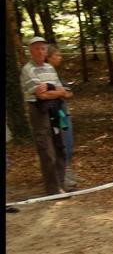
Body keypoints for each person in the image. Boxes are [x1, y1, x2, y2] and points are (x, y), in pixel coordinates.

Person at [20, 36, 72, 195]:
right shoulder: (28, 69)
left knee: (60, 146)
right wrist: (56, 91)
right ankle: (53, 188)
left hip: (55, 110)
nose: (40, 51)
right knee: (46, 150)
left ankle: (61, 183)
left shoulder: (50, 68)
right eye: (36, 48)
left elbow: (64, 91)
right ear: (30, 51)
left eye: (43, 48)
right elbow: (40, 95)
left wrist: (51, 88)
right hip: (38, 111)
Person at [47, 46, 77, 190]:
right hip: (54, 115)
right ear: (49, 57)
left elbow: (68, 92)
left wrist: (62, 93)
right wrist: (60, 93)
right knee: (61, 145)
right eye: (57, 55)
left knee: (69, 144)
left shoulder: (56, 74)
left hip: (63, 114)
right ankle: (61, 177)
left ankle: (67, 172)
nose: (60, 57)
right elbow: (46, 94)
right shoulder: (45, 74)